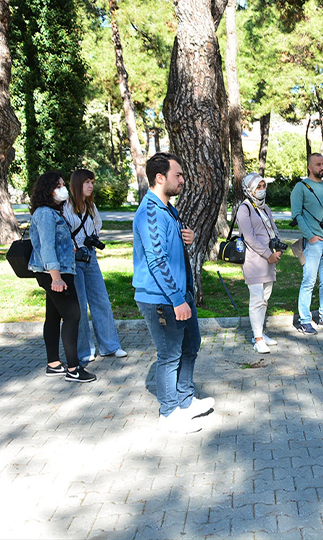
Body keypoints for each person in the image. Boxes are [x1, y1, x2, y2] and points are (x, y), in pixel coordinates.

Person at [133, 153, 213, 433]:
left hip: (179, 294)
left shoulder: (168, 209)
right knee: (169, 355)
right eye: (177, 175)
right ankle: (168, 414)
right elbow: (156, 261)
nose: (182, 180)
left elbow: (168, 245)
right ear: (159, 178)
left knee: (191, 345)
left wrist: (184, 237)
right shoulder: (151, 212)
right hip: (162, 298)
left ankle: (185, 401)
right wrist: (177, 300)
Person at [28, 171, 96, 383]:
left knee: (54, 316)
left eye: (63, 184)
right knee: (73, 315)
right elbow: (47, 247)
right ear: (48, 190)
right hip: (55, 274)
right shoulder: (46, 213)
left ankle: (54, 364)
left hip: (57, 271)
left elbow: (56, 244)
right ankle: (74, 368)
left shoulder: (51, 212)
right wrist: (56, 278)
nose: (63, 189)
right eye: (58, 185)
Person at [64, 169, 126, 365]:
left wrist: (91, 238)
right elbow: (63, 230)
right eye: (87, 182)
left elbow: (97, 224)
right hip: (74, 259)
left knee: (101, 301)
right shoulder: (66, 205)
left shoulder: (91, 205)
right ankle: (85, 350)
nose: (91, 186)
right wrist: (75, 245)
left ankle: (110, 346)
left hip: (90, 257)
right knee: (80, 306)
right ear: (77, 184)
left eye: (92, 182)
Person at [290, 153, 323, 334]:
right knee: (309, 281)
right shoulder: (301, 187)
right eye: (318, 164)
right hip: (313, 243)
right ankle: (305, 320)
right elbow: (296, 215)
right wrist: (311, 236)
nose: (322, 167)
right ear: (310, 167)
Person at [236, 173, 283, 354]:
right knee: (256, 300)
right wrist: (267, 255)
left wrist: (278, 249)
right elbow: (249, 238)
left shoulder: (265, 208)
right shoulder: (244, 209)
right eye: (258, 187)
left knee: (265, 300)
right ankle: (257, 339)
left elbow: (274, 230)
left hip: (270, 261)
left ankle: (261, 332)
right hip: (254, 261)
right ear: (249, 189)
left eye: (263, 186)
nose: (261, 190)